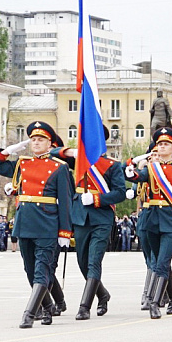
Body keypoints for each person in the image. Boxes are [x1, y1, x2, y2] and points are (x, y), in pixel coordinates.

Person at [0, 121, 73, 329]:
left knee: (42, 269)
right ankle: (47, 307)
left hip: (47, 223)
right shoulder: (22, 164)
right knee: (29, 268)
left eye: (40, 139)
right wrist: (7, 151)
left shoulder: (59, 168)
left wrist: (64, 231)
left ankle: (29, 313)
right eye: (33, 139)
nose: (36, 143)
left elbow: (66, 201)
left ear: (50, 144)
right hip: (25, 222)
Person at [52, 125, 126, 320]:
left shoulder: (112, 165)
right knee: (83, 263)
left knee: (94, 262)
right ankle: (102, 294)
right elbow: (51, 152)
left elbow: (120, 193)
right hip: (79, 217)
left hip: (101, 218)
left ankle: (85, 306)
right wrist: (71, 151)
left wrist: (97, 199)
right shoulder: (76, 161)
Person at [125, 127, 172, 319]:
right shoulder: (150, 169)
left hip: (171, 222)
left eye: (166, 144)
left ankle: (155, 303)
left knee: (162, 262)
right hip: (152, 221)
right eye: (160, 144)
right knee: (159, 262)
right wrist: (132, 164)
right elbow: (134, 177)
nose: (162, 147)